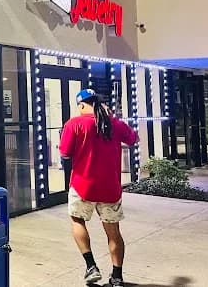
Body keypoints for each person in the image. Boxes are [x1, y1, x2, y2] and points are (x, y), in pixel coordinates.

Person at [59, 89, 138, 287]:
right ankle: (117, 277)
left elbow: (65, 154)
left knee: (77, 220)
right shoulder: (113, 123)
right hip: (110, 188)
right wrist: (114, 118)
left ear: (81, 104)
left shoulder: (74, 124)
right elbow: (133, 139)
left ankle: (91, 266)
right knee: (113, 232)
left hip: (82, 185)